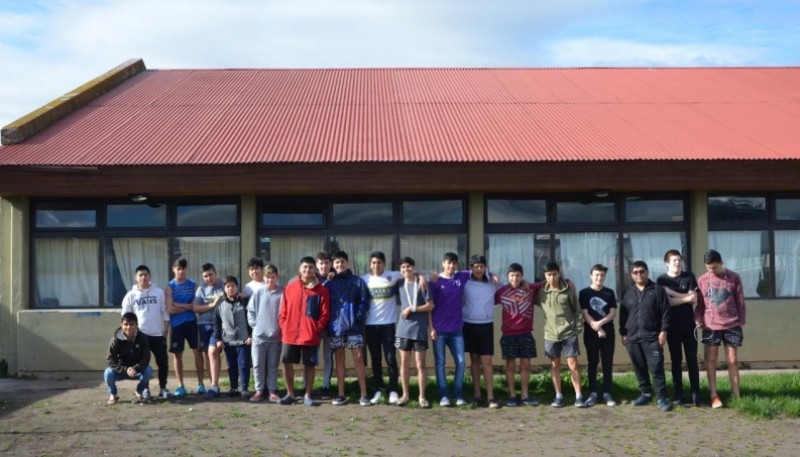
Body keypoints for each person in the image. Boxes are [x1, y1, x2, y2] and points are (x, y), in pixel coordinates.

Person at [695, 249, 746, 409]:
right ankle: (713, 394)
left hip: (732, 324)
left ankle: (736, 394)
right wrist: (698, 319)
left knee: (732, 360)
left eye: (714, 267)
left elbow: (740, 301)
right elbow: (700, 304)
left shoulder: (734, 278)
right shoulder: (702, 280)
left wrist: (741, 321)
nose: (711, 271)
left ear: (721, 263)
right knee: (711, 359)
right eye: (708, 268)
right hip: (711, 325)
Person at [619, 260, 672, 412]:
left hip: (652, 336)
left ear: (647, 272)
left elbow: (666, 312)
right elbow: (623, 314)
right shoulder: (627, 291)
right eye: (635, 272)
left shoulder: (657, 290)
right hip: (633, 337)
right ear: (631, 275)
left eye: (642, 271)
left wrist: (664, 331)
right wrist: (623, 332)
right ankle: (645, 393)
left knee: (656, 368)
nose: (639, 274)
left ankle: (661, 398)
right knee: (639, 367)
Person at [279, 256, 330, 406]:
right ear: (299, 269)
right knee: (286, 362)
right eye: (305, 267)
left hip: (310, 335)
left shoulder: (321, 290)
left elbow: (324, 314)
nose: (308, 270)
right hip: (290, 334)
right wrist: (284, 325)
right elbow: (283, 311)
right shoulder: (290, 288)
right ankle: (290, 394)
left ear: (315, 270)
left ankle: (308, 395)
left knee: (309, 364)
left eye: (311, 267)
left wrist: (316, 329)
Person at [536, 261, 586, 408]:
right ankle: (559, 396)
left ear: (559, 274)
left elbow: (577, 311)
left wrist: (577, 329)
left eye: (554, 274)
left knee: (573, 364)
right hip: (550, 334)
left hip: (568, 333)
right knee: (554, 365)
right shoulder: (540, 292)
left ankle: (578, 396)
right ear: (544, 276)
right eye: (549, 275)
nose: (552, 277)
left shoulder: (568, 289)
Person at [326, 251, 371, 406]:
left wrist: (358, 317)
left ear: (348, 264)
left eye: (343, 262)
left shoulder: (357, 281)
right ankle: (341, 393)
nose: (340, 265)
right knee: (339, 359)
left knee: (358, 357)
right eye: (337, 262)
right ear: (333, 265)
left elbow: (365, 301)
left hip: (354, 327)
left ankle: (364, 394)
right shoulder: (329, 283)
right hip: (336, 328)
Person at [657, 250, 701, 407]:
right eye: (674, 260)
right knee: (676, 361)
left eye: (679, 260)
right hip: (672, 327)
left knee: (692, 361)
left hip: (689, 326)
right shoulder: (662, 280)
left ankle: (696, 394)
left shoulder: (689, 277)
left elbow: (694, 299)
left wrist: (672, 294)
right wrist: (685, 298)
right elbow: (666, 303)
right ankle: (679, 394)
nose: (678, 262)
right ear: (667, 263)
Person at [495, 263, 542, 407]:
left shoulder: (530, 289)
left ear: (522, 276)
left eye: (517, 275)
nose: (515, 278)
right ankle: (512, 395)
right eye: (512, 276)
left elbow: (548, 281)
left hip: (526, 333)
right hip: (508, 334)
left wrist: (567, 282)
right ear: (507, 277)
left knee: (526, 365)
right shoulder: (501, 292)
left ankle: (525, 395)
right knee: (510, 365)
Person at [120, 264, 169, 400]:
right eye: (140, 275)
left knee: (163, 362)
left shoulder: (158, 292)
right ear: (136, 278)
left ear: (150, 276)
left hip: (158, 334)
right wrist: (129, 334)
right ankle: (145, 389)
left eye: (146, 275)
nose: (143, 277)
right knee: (143, 363)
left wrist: (165, 330)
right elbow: (125, 315)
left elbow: (164, 311)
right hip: (140, 335)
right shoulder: (131, 295)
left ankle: (163, 388)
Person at [429, 252, 469, 407]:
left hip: (457, 329)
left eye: (454, 263)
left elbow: (480, 271)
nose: (451, 266)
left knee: (461, 362)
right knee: (440, 363)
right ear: (443, 264)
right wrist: (431, 328)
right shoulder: (435, 281)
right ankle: (444, 395)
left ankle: (458, 394)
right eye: (448, 263)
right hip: (439, 330)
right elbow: (430, 307)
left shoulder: (461, 277)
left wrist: (491, 275)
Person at [362, 251, 403, 405]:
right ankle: (379, 389)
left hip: (389, 325)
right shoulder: (364, 279)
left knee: (391, 358)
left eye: (379, 262)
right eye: (373, 262)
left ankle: (393, 390)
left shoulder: (393, 276)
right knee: (376, 359)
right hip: (370, 326)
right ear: (370, 264)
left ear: (384, 264)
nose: (376, 265)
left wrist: (420, 276)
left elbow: (410, 273)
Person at [393, 257, 434, 408]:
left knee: (420, 364)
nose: (406, 270)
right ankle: (405, 395)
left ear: (414, 268)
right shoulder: (398, 284)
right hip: (403, 330)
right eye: (403, 267)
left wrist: (413, 308)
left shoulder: (422, 284)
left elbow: (430, 305)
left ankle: (422, 397)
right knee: (404, 363)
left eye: (409, 267)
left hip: (420, 330)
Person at [462, 255, 500, 408]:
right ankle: (477, 395)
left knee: (487, 362)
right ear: (471, 267)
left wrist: (493, 274)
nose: (479, 269)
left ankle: (491, 397)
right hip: (469, 324)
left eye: (482, 266)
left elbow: (513, 283)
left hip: (486, 325)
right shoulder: (465, 281)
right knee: (474, 361)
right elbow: (451, 274)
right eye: (475, 266)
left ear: (485, 267)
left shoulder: (493, 282)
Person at [579, 264, 618, 407]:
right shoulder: (584, 293)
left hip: (608, 333)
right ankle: (593, 393)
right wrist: (596, 327)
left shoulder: (609, 292)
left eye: (602, 275)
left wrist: (600, 324)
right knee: (593, 363)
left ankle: (607, 393)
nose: (599, 278)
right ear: (591, 275)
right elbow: (585, 313)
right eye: (596, 275)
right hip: (590, 333)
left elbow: (613, 312)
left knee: (607, 363)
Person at [207, 276, 253, 399]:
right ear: (224, 288)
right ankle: (234, 387)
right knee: (231, 365)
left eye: (233, 286)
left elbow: (251, 319)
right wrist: (218, 339)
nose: (230, 289)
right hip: (228, 340)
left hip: (243, 340)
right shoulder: (220, 304)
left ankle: (244, 388)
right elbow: (216, 322)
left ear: (237, 287)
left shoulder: (245, 302)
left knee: (243, 364)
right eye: (228, 286)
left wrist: (250, 336)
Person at [165, 257, 203, 398]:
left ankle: (201, 384)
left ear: (186, 269)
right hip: (176, 325)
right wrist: (187, 307)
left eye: (183, 268)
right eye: (178, 268)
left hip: (192, 322)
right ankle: (181, 386)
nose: (181, 271)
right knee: (177, 355)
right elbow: (170, 309)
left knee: (197, 352)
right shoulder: (169, 286)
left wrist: (179, 305)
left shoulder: (193, 285)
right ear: (173, 269)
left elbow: (195, 307)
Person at [247, 263, 283, 403]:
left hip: (275, 336)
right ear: (264, 278)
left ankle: (272, 390)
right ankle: (259, 390)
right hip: (259, 337)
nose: (270, 281)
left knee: (273, 365)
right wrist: (255, 325)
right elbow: (250, 311)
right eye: (267, 278)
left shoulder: (282, 293)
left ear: (277, 277)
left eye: (273, 278)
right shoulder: (258, 293)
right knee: (257, 365)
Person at [104, 312, 153, 405]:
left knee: (148, 371)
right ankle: (113, 394)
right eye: (126, 324)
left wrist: (136, 368)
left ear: (136, 325)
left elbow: (146, 357)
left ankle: (139, 391)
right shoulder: (115, 340)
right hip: (121, 371)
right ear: (121, 325)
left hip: (137, 371)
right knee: (108, 373)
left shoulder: (142, 337)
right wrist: (125, 370)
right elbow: (110, 360)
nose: (129, 327)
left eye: (132, 324)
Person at [193, 263, 224, 396]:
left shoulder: (223, 285)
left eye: (210, 274)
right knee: (209, 353)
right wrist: (211, 305)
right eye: (205, 276)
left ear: (215, 273)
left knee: (213, 351)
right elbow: (196, 308)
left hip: (221, 325)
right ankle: (213, 385)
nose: (208, 278)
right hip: (204, 324)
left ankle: (215, 386)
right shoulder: (201, 289)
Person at [315, 250, 335, 399]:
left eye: (326, 263)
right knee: (311, 356)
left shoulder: (335, 278)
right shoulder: (311, 279)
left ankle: (326, 386)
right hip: (314, 325)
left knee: (328, 356)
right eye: (321, 263)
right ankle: (306, 386)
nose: (324, 265)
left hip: (331, 325)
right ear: (317, 265)